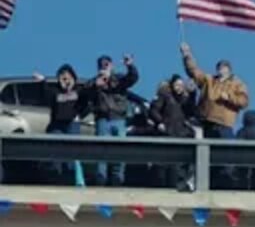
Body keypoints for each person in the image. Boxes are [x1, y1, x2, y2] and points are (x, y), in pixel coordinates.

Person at [181, 43, 249, 189]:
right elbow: (194, 71)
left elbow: (243, 101)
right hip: (207, 122)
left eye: (224, 67)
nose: (221, 69)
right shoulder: (209, 80)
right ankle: (204, 185)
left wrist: (229, 97)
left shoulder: (237, 84)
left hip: (224, 124)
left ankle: (226, 185)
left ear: (229, 70)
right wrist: (187, 54)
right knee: (205, 158)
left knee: (225, 157)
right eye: (219, 67)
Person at [82, 54, 139, 186]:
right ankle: (101, 179)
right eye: (102, 64)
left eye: (107, 64)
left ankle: (117, 179)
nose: (105, 66)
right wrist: (96, 85)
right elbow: (84, 93)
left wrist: (130, 66)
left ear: (112, 65)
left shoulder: (119, 79)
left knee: (120, 152)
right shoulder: (94, 82)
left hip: (119, 119)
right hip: (102, 120)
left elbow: (132, 78)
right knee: (101, 152)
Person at [31, 64, 88, 184]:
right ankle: (56, 181)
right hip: (57, 125)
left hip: (72, 125)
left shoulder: (79, 91)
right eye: (62, 77)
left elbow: (88, 102)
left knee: (72, 155)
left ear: (73, 78)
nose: (65, 79)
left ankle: (71, 182)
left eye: (68, 77)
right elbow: (46, 97)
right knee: (56, 155)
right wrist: (43, 82)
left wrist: (80, 115)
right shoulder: (55, 91)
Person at [148, 75, 199, 191]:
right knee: (163, 166)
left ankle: (176, 187)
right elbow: (154, 110)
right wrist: (159, 122)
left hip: (180, 135)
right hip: (166, 134)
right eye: (177, 85)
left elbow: (191, 111)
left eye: (181, 85)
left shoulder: (185, 99)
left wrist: (193, 94)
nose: (179, 88)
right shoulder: (165, 96)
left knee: (177, 167)